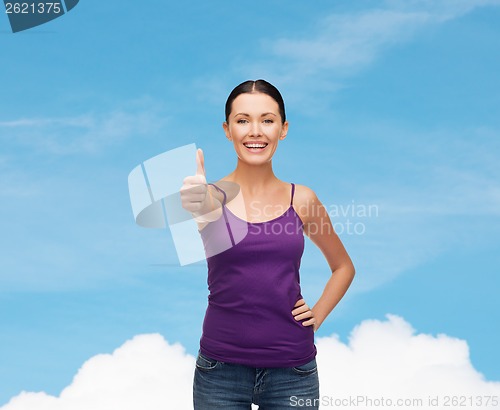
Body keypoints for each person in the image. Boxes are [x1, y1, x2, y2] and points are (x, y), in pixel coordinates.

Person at [181, 79, 355, 409]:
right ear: (227, 129)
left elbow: (343, 267)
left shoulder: (302, 200)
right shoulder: (210, 199)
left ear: (283, 129)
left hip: (293, 370)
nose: (255, 131)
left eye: (268, 120)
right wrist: (196, 201)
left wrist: (317, 315)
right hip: (220, 371)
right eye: (243, 120)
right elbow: (200, 212)